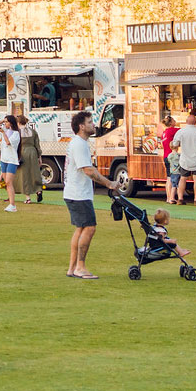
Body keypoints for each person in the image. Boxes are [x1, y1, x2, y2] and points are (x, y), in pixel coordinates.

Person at [64, 110, 113, 279]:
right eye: (90, 122)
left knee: (81, 229)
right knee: (89, 228)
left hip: (74, 192)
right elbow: (88, 170)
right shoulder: (80, 144)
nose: (94, 125)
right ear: (81, 126)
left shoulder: (78, 143)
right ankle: (80, 267)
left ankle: (72, 268)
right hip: (78, 193)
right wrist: (109, 183)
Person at [169, 113, 196, 205]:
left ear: (186, 122)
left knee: (183, 179)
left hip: (185, 160)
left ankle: (180, 199)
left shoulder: (181, 132)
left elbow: (175, 144)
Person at [0, 115, 21, 212]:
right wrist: (3, 120)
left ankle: (12, 204)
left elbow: (8, 143)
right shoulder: (5, 131)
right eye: (4, 122)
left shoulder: (15, 134)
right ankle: (11, 203)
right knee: (6, 183)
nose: (4, 124)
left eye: (6, 122)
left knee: (9, 182)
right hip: (4, 160)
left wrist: (3, 133)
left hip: (12, 160)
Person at [16, 114, 43, 203]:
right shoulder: (33, 131)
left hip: (22, 152)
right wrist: (39, 157)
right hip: (33, 152)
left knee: (25, 175)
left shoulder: (17, 132)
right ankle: (38, 190)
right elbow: (37, 145)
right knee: (35, 173)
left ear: (18, 122)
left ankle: (28, 198)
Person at [161, 112, 180, 204]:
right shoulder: (171, 130)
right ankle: (170, 198)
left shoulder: (164, 132)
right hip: (170, 156)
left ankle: (168, 197)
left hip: (165, 156)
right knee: (171, 177)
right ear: (171, 123)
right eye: (173, 120)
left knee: (168, 177)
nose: (175, 121)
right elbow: (182, 130)